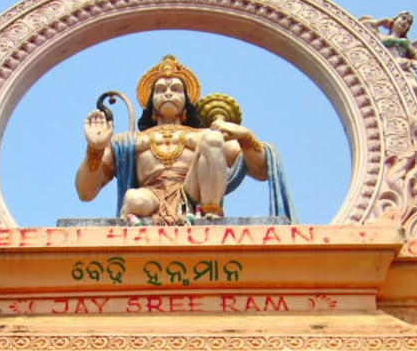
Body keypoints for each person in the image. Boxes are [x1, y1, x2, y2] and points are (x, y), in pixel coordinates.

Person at [75, 55, 279, 225]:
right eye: (161, 90)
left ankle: (210, 213)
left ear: (186, 102)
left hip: (191, 193)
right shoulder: (129, 141)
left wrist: (246, 138)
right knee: (133, 199)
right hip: (150, 195)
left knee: (212, 137)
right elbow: (85, 193)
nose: (168, 93)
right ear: (151, 103)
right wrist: (94, 149)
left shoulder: (203, 136)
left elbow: (262, 171)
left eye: (176, 89)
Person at [360, 12, 417, 145]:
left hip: (404, 70)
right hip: (387, 71)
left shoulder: (405, 43)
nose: (405, 23)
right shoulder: (379, 37)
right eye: (403, 19)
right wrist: (381, 22)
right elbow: (363, 26)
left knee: (414, 88)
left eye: (408, 23)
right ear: (394, 20)